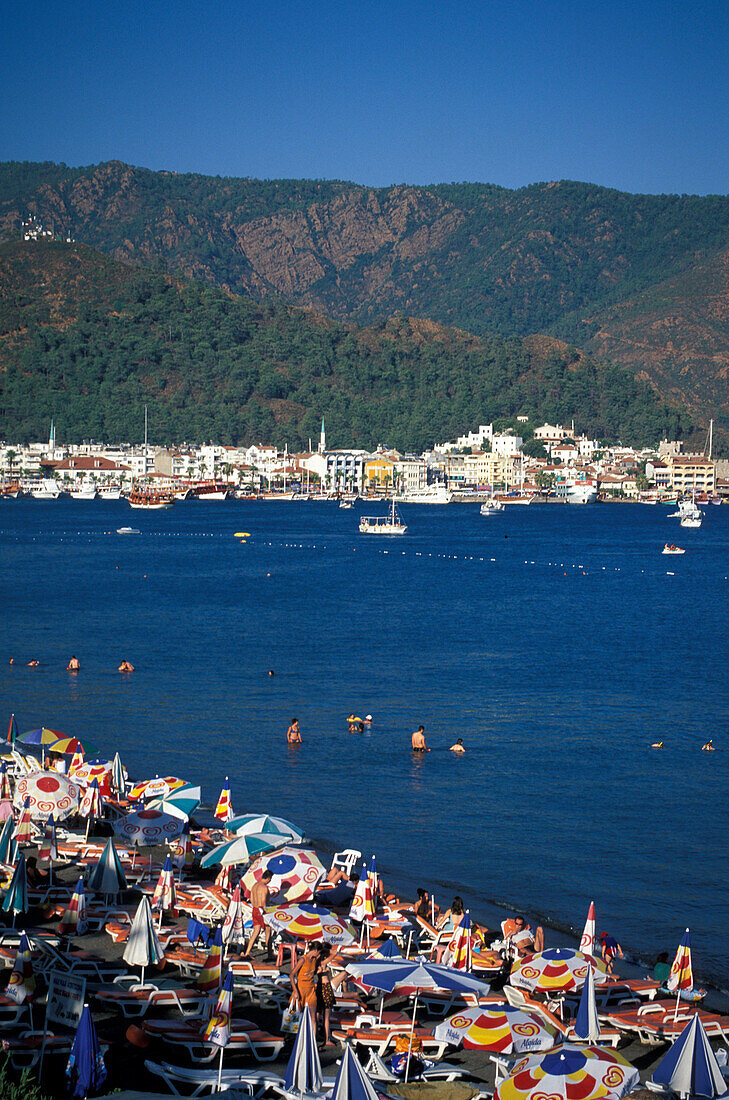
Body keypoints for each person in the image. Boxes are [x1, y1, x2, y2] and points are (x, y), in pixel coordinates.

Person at [243, 870, 275, 959]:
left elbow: (252, 900)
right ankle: (270, 954)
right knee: (268, 931)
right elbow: (264, 902)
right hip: (262, 910)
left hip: (255, 909)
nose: (270, 880)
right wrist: (267, 912)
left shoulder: (254, 886)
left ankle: (247, 952)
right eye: (270, 878)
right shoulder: (264, 888)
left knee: (256, 931)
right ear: (268, 878)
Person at [290, 940, 322, 1027]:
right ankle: (291, 1037)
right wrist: (295, 991)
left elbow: (310, 972)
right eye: (319, 952)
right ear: (315, 950)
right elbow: (292, 975)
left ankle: (313, 1039)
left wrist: (317, 971)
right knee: (296, 1017)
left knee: (313, 1017)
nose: (319, 954)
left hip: (310, 989)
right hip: (301, 989)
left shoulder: (315, 959)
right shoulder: (303, 959)